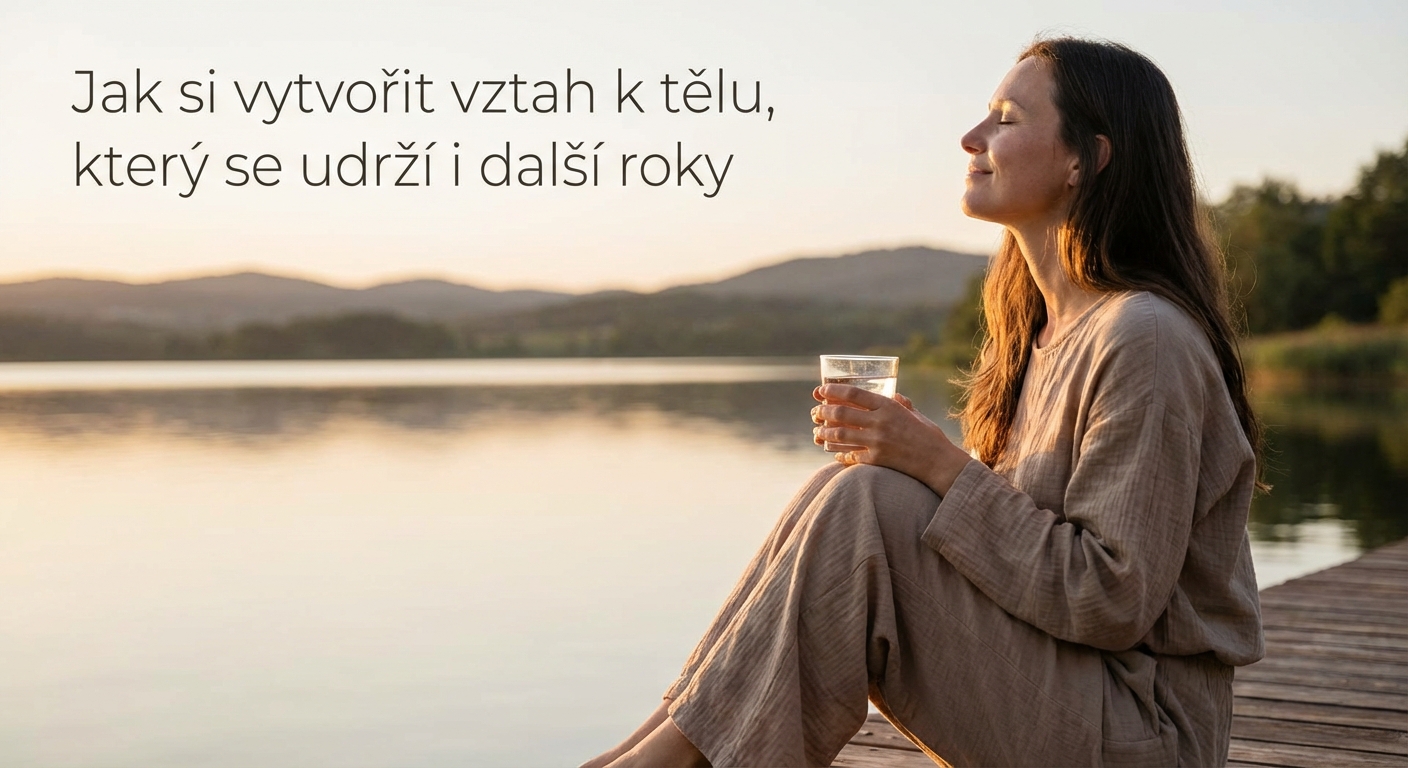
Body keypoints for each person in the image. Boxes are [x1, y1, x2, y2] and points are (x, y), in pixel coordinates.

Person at [582, 36, 1265, 768]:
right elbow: (1025, 548)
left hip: (1142, 731)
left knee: (865, 507)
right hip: (1075, 697)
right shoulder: (1045, 332)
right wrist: (922, 467)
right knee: (851, 490)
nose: (972, 138)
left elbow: (1109, 599)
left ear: (1086, 160)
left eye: (1006, 118)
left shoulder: (1145, 337)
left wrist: (939, 467)